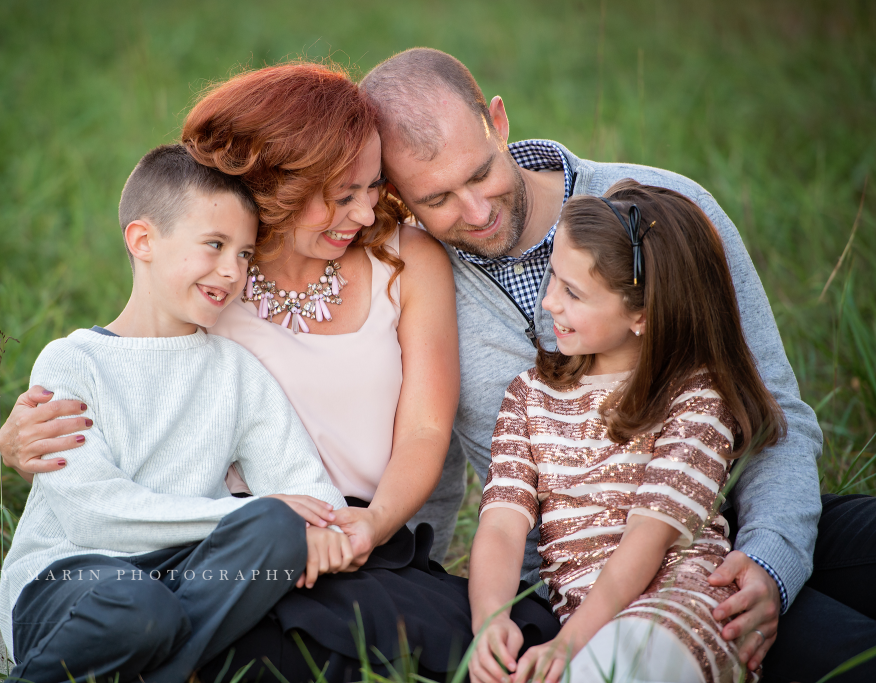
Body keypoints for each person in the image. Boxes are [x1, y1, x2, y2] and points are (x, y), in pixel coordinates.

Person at [359, 48, 876, 680]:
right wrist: (431, 595)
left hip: (726, 521)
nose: (474, 211)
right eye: (436, 198)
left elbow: (772, 411)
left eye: (480, 173)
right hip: (577, 592)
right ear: (396, 194)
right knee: (849, 654)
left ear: (498, 122)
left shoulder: (667, 214)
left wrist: (771, 560)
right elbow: (428, 458)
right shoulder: (418, 284)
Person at [0, 144, 353, 683]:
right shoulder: (74, 361)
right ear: (143, 241)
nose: (232, 271)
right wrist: (241, 515)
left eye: (245, 255)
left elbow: (307, 491)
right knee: (142, 610)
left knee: (277, 527)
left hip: (188, 574)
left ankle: (160, 670)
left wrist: (308, 522)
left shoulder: (234, 371)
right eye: (214, 245)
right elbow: (95, 515)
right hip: (74, 577)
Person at [469, 180, 786, 683]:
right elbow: (503, 525)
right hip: (582, 622)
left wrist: (567, 646)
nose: (550, 302)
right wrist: (490, 618)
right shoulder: (529, 395)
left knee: (620, 664)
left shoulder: (694, 395)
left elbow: (648, 536)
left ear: (641, 313)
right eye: (554, 276)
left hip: (682, 604)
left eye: (573, 292)